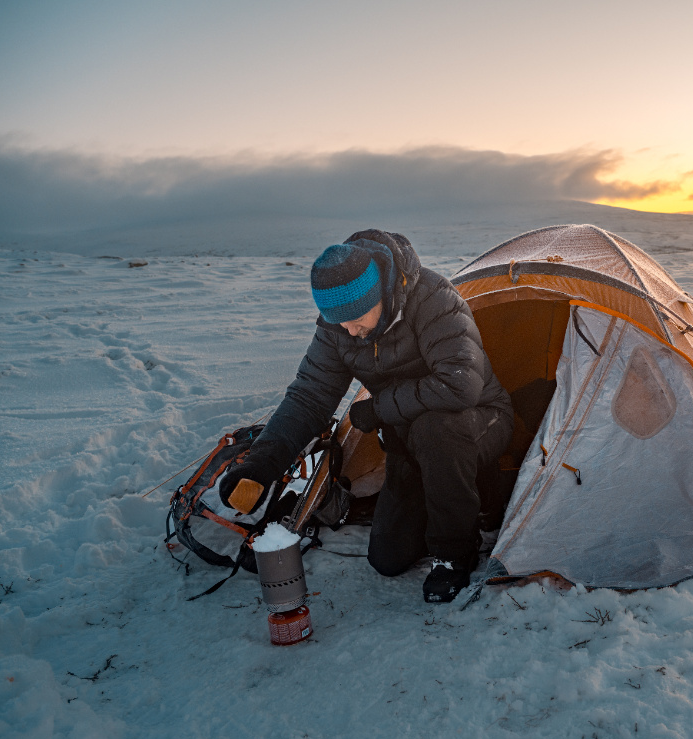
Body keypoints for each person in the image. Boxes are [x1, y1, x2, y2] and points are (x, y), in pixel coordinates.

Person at [218, 229, 513, 603]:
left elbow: (460, 385)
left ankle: (455, 553)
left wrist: (378, 407)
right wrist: (261, 463)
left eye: (356, 318)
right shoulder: (339, 326)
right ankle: (462, 497)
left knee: (437, 429)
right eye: (337, 321)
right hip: (409, 435)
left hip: (478, 418)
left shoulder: (433, 299)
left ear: (383, 296)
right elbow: (309, 397)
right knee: (388, 559)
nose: (349, 331)